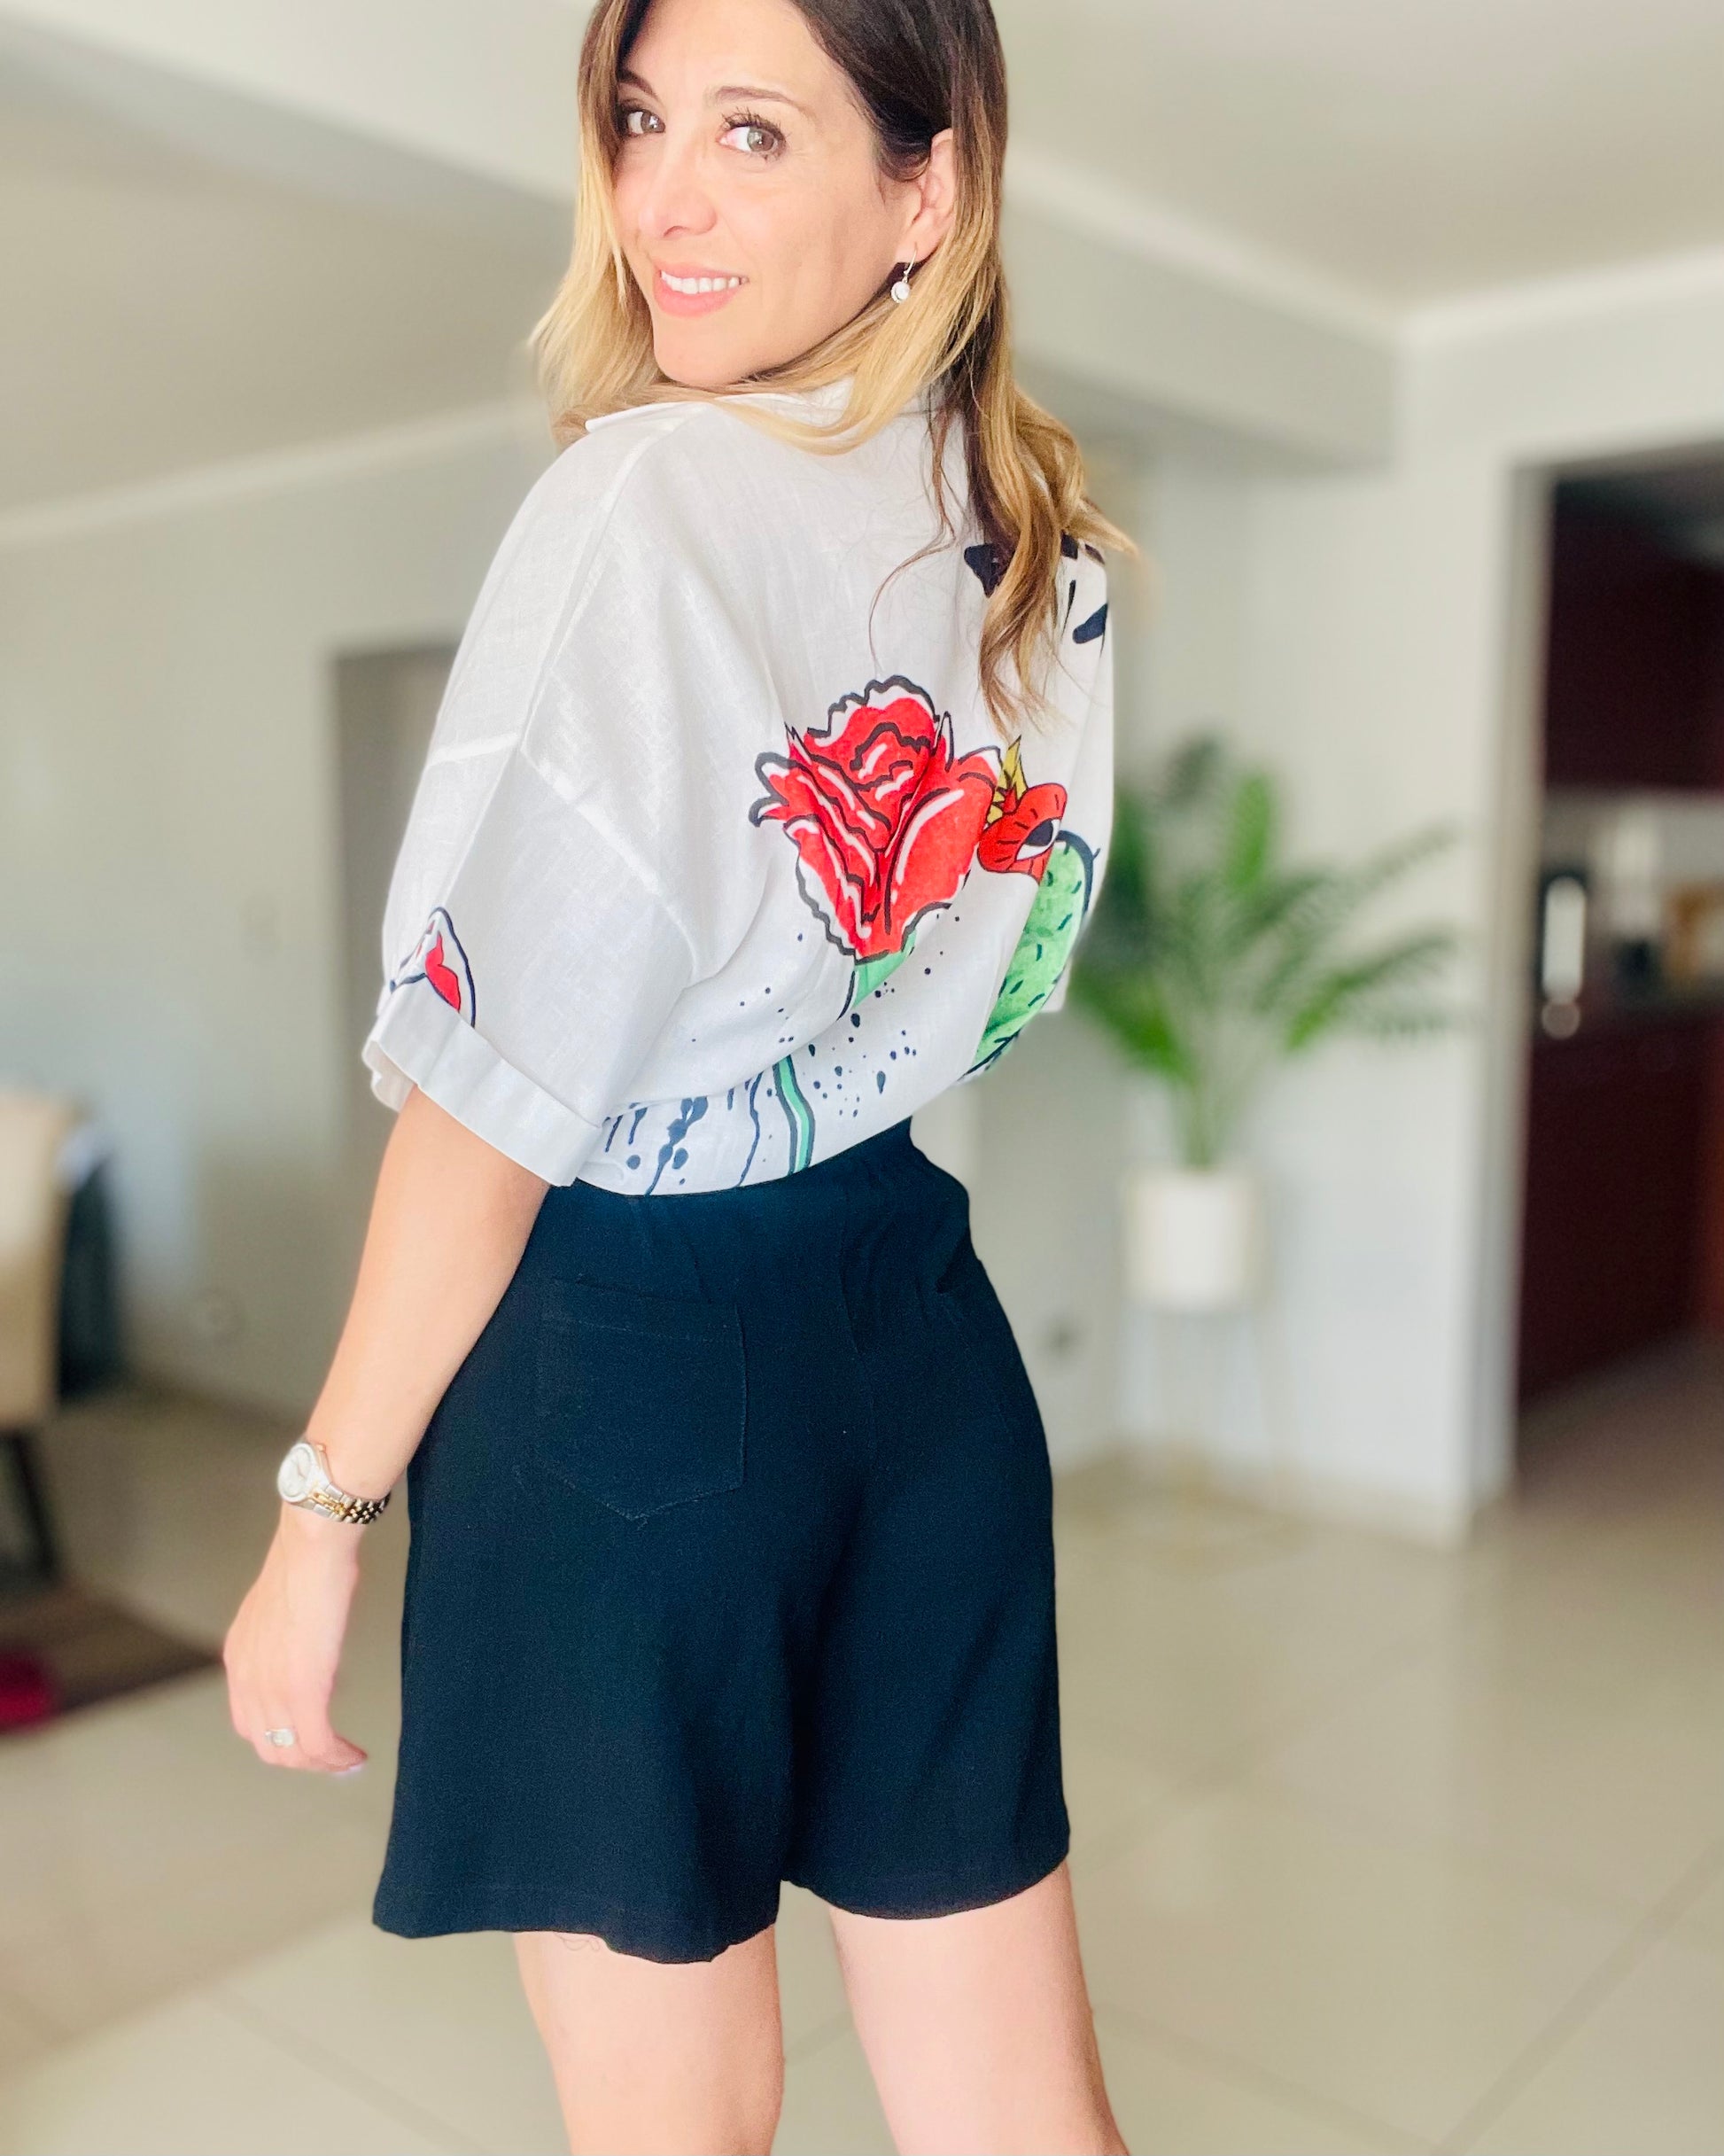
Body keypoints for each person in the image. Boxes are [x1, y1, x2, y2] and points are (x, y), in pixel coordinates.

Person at [223, 0, 1130, 2146]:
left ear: (924, 187)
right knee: (1020, 2117)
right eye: (641, 122)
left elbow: (498, 1078)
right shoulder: (1034, 545)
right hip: (913, 1324)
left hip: (627, 1362)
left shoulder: (644, 495)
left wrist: (323, 1507)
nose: (664, 200)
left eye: (751, 131)